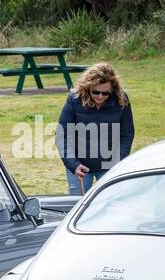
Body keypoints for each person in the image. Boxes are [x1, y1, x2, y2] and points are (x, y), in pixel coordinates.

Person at [55, 62, 134, 195]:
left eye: (105, 93)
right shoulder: (74, 99)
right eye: (95, 92)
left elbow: (127, 135)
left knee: (109, 205)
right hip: (79, 167)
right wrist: (73, 164)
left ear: (112, 90)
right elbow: (62, 134)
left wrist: (117, 163)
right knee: (78, 207)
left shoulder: (122, 100)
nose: (100, 96)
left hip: (109, 167)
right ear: (88, 87)